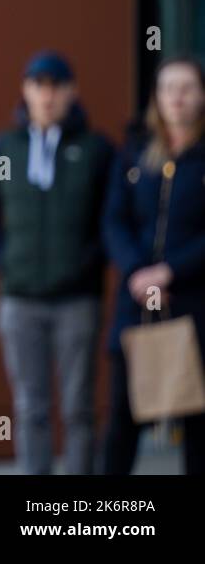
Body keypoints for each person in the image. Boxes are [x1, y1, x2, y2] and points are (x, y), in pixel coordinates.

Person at [0, 51, 113, 474]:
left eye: (56, 87)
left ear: (72, 91)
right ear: (26, 91)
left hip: (76, 298)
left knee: (78, 407)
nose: (46, 96)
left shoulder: (96, 149)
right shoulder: (4, 147)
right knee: (30, 406)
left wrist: (88, 264)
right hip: (20, 296)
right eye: (38, 86)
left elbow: (112, 217)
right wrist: (3, 261)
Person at [102, 55, 205, 475]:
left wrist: (170, 271)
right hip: (138, 308)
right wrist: (137, 272)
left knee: (197, 426)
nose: (177, 98)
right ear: (156, 98)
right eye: (168, 88)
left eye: (187, 88)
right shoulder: (135, 154)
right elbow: (113, 219)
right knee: (122, 425)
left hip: (194, 306)